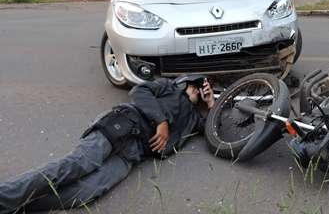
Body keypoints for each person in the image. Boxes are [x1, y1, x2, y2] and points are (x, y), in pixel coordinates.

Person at [0, 75, 215, 213]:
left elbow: (213, 135)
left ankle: (22, 208)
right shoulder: (168, 86)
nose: (198, 89)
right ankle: (4, 198)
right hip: (120, 126)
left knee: (88, 191)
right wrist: (161, 121)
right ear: (184, 82)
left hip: (132, 155)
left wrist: (211, 103)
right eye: (195, 85)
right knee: (74, 166)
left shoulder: (194, 120)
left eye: (202, 88)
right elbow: (139, 91)